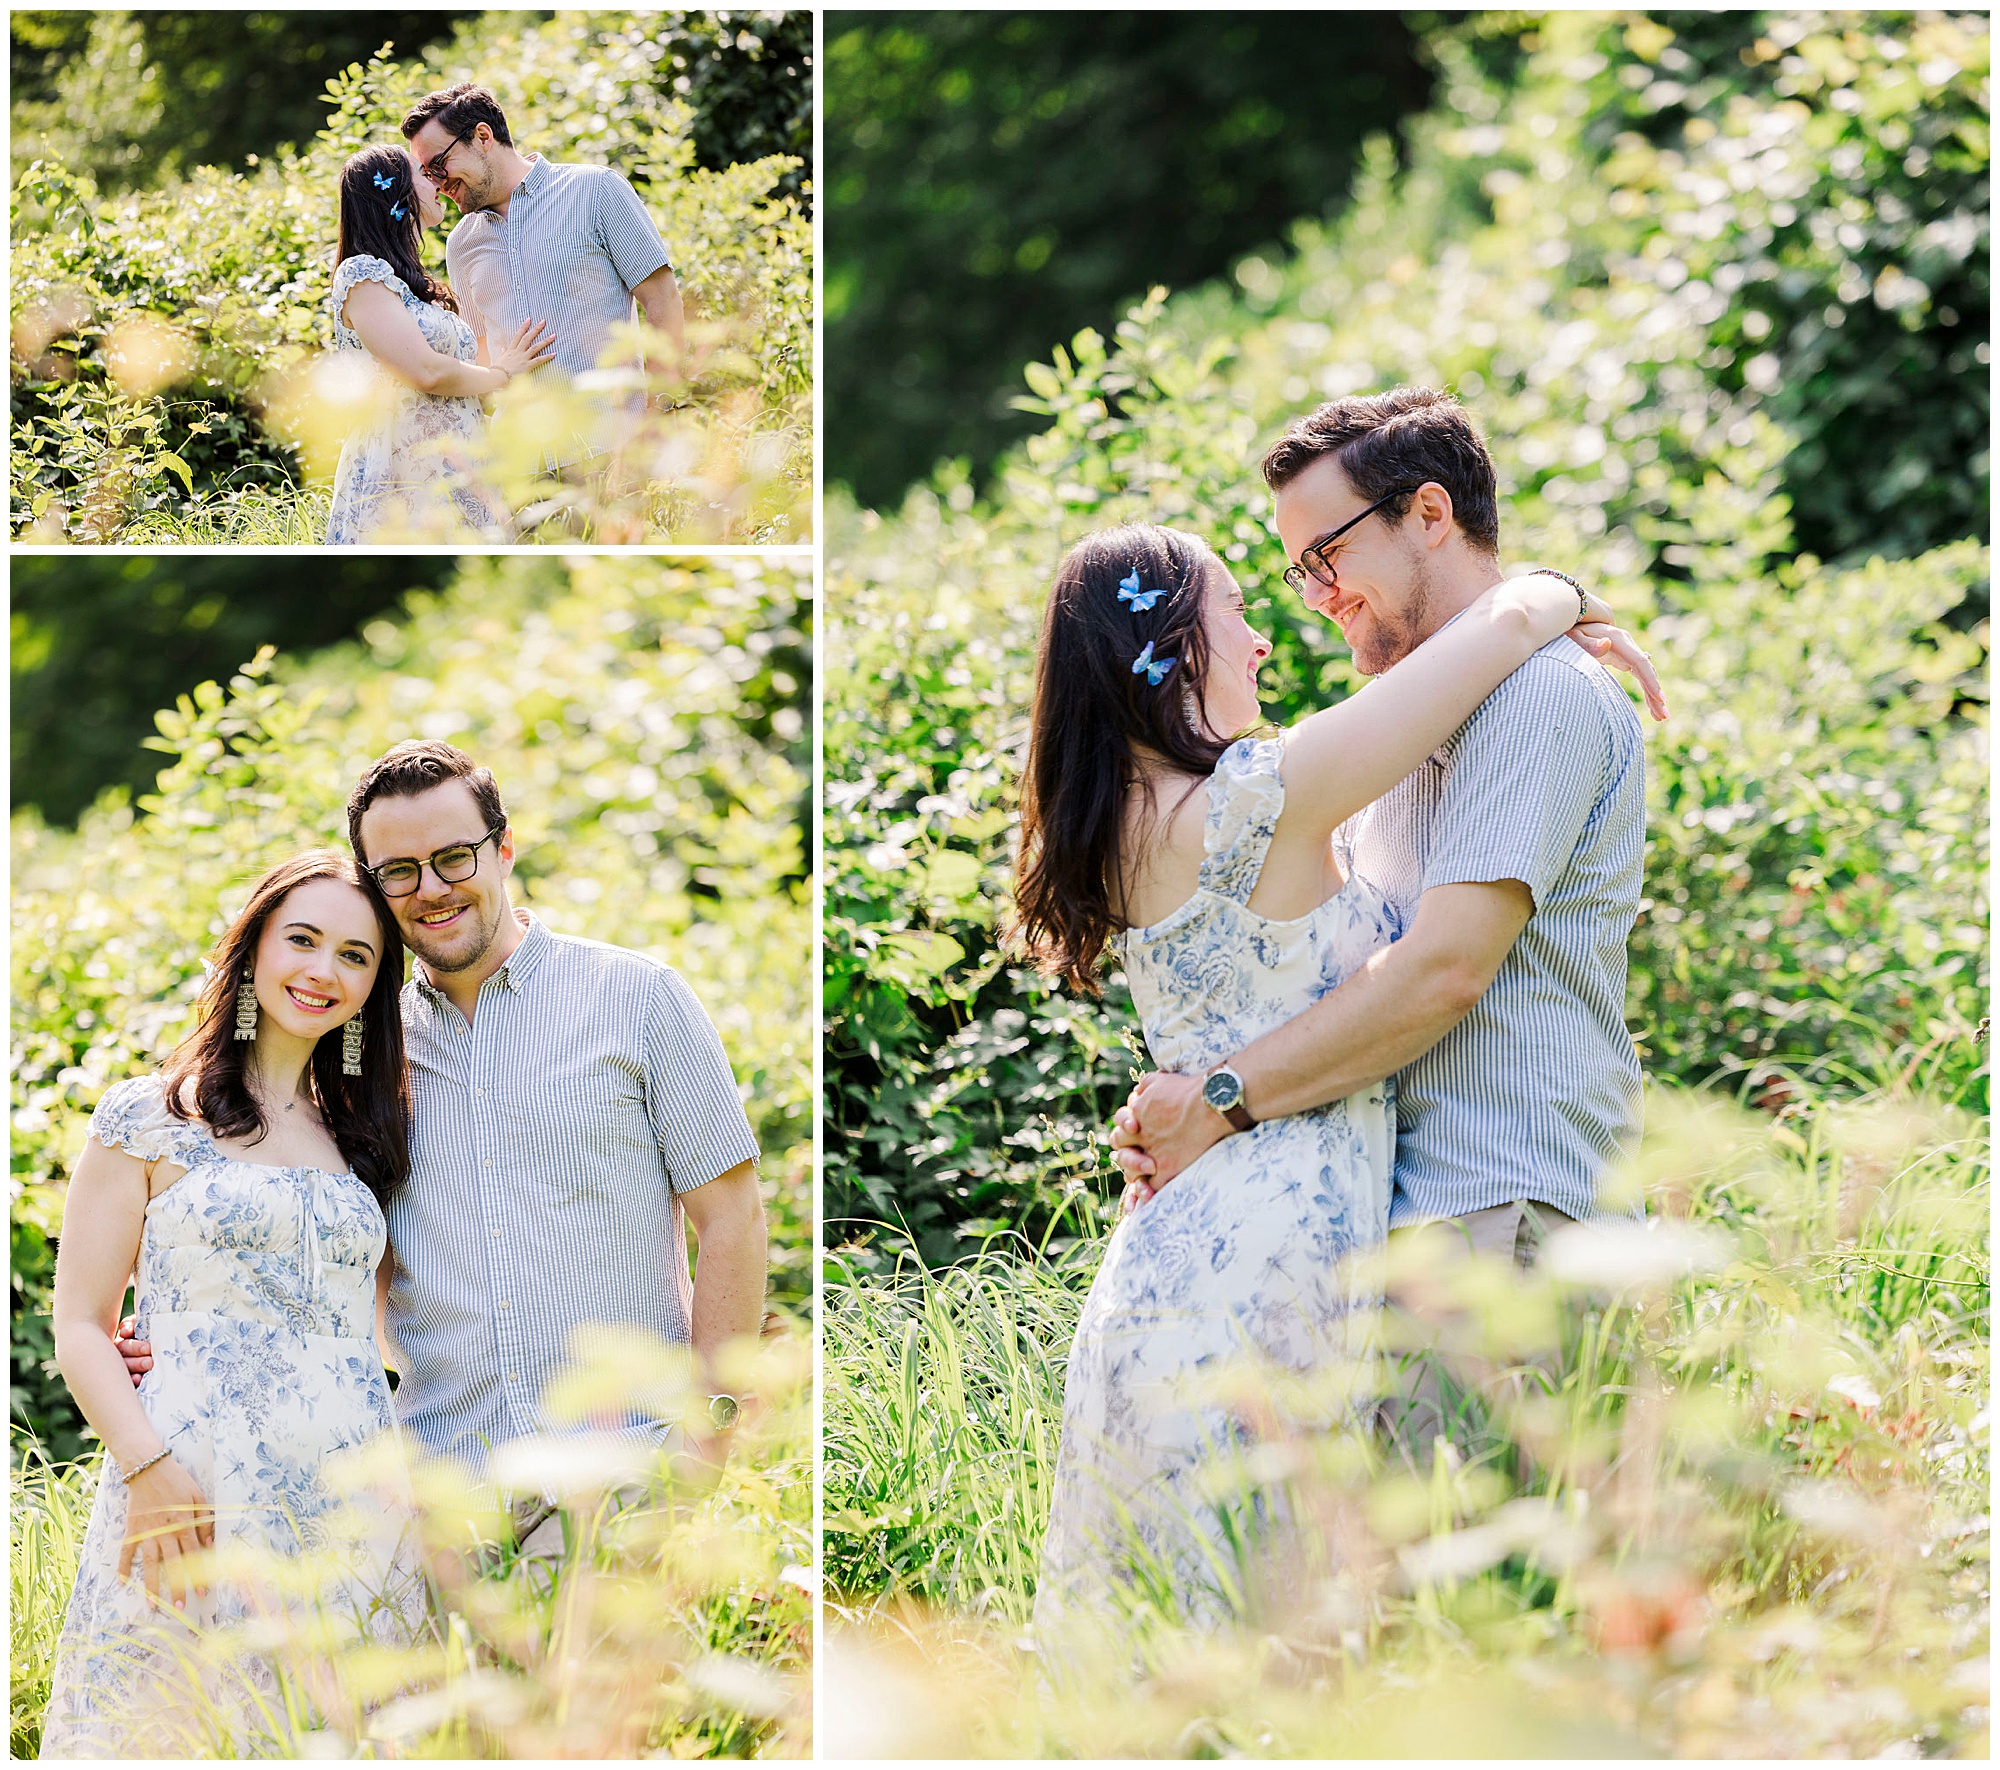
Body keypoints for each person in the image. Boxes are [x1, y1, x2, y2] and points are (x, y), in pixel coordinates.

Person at [1017, 516, 1663, 1633]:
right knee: (1285, 1602)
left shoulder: (1132, 812)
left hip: (1194, 1244)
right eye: (1236, 608)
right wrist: (1559, 596)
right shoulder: (1249, 801)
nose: (1264, 639)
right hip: (1266, 1244)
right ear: (1166, 642)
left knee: (1212, 1608)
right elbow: (1492, 628)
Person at [1110, 387, 1663, 1462]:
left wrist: (1218, 1101)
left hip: (1494, 1209)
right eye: (1294, 571)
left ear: (1426, 514)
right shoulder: (1407, 720)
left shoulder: (1536, 699)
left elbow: (1441, 972)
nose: (1314, 596)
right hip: (1395, 1228)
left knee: (1474, 1608)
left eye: (1325, 553)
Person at [122, 743, 767, 1563]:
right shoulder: (357, 1053)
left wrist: (711, 1433)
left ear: (502, 849)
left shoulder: (638, 1001)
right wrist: (167, 1330)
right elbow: (309, 1235)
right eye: (399, 871)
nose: (431, 888)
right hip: (441, 1499)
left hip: (630, 1469)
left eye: (453, 857)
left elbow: (734, 1218)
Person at [42, 854, 426, 1758]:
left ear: (374, 986)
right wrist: (147, 1468)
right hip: (190, 1480)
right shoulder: (147, 1117)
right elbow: (79, 1327)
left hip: (351, 1493)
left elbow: (381, 1322)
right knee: (171, 1723)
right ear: (253, 948)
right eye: (301, 939)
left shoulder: (369, 1137)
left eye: (354, 956)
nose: (322, 971)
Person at [401, 85, 686, 477]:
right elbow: (480, 355)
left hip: (614, 451)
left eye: (439, 164)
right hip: (522, 472)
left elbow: (663, 301)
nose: (436, 182)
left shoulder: (595, 190)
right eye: (427, 174)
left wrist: (656, 421)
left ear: (483, 137)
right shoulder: (461, 244)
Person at [325, 141, 557, 544]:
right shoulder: (362, 275)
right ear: (395, 189)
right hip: (401, 472)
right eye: (423, 172)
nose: (437, 180)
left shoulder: (412, 285)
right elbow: (425, 371)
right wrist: (502, 373)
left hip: (459, 462)